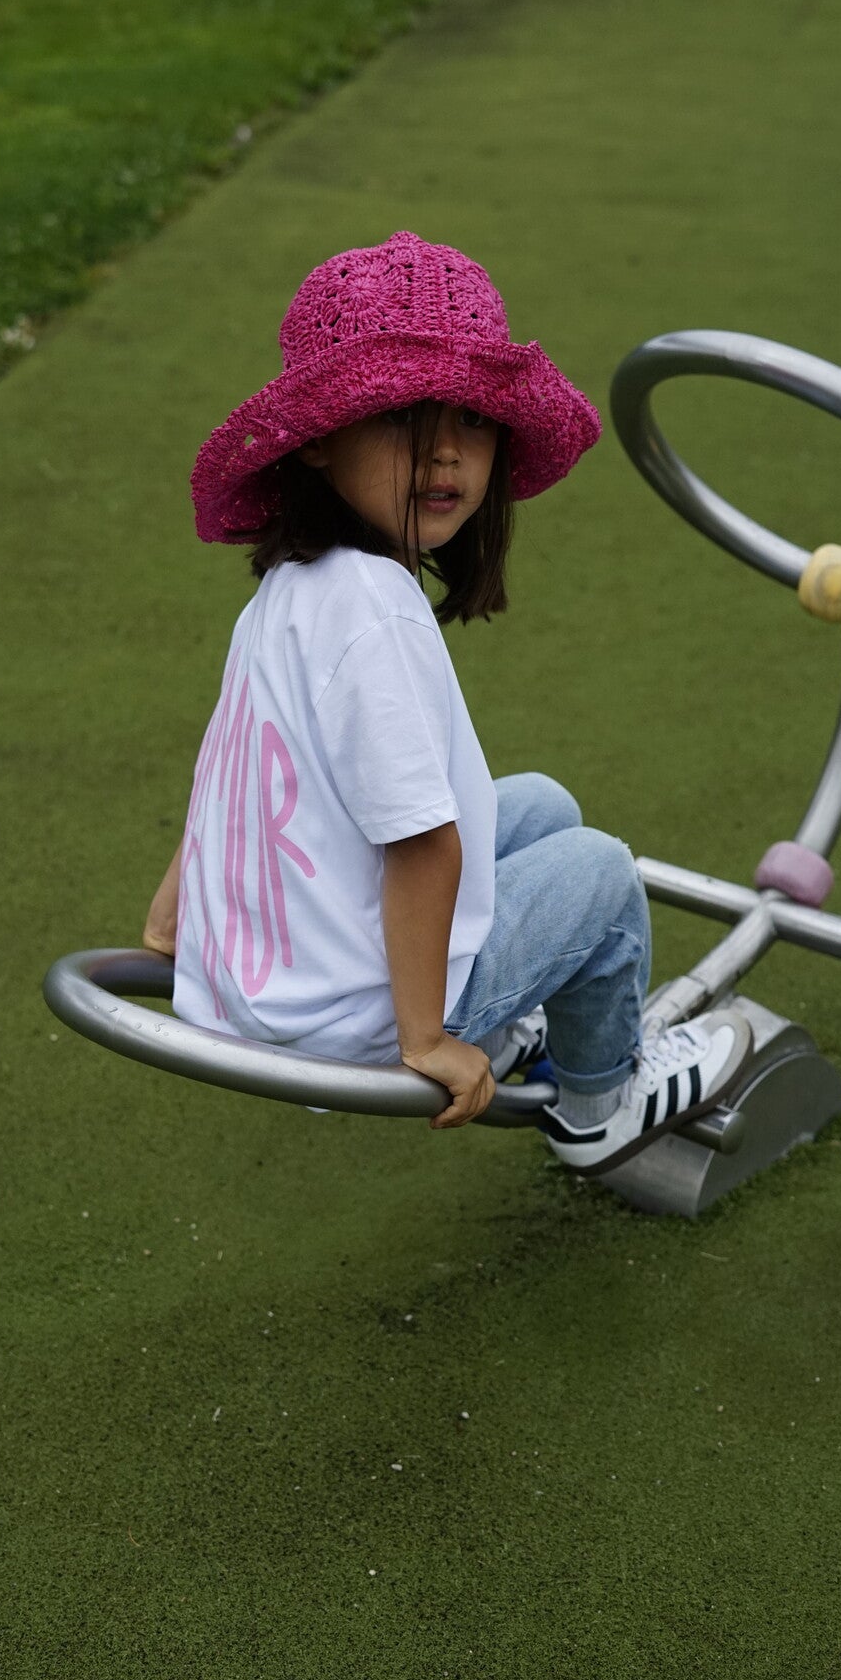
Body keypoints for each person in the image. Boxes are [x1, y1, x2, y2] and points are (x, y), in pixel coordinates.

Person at [142, 232, 751, 1174]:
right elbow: (420, 840)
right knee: (596, 870)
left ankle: (509, 1029)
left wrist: (174, 917)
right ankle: (603, 1104)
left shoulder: (292, 587)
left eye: (472, 420)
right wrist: (422, 1038)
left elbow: (237, 764)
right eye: (399, 421)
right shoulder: (374, 610)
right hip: (352, 1019)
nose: (446, 453)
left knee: (540, 803)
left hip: (275, 981)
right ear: (315, 443)